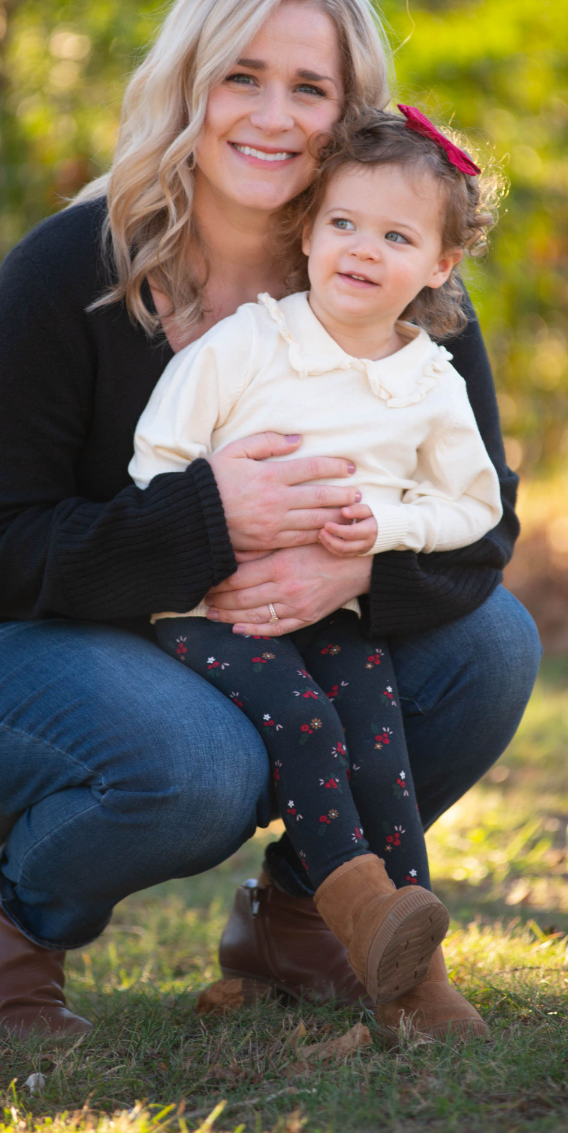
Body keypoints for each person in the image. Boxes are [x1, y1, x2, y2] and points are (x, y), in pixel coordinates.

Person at [0, 0, 540, 1043]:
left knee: (491, 646)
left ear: (351, 117)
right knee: (199, 764)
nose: (272, 117)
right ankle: (14, 911)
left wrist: (352, 571)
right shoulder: (68, 270)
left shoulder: (389, 279)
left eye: (310, 89)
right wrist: (211, 520)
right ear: (190, 83)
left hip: (258, 640)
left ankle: (307, 923)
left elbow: (484, 528)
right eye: (242, 75)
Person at [130, 105, 503, 1014]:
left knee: (378, 739)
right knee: (305, 722)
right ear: (307, 233)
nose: (363, 249)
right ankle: (363, 920)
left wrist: (386, 529)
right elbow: (155, 462)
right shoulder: (249, 343)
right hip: (212, 611)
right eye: (343, 223)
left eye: (396, 236)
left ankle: (417, 981)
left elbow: (476, 507)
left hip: (333, 610)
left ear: (440, 264)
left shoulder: (430, 381)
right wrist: (214, 530)